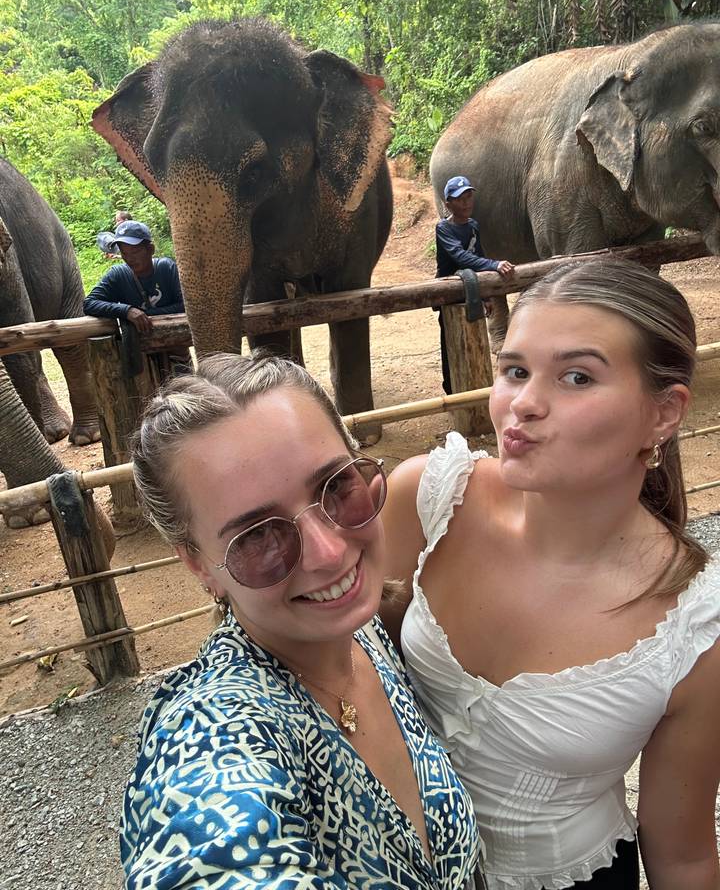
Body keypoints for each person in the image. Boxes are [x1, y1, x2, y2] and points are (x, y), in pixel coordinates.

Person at [382, 258, 720, 889]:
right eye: (514, 371)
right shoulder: (429, 499)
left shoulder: (695, 626)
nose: (523, 405)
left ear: (665, 413)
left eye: (575, 376)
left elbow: (683, 853)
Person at [121, 353, 483, 889]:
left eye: (336, 487)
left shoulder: (359, 637)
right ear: (198, 562)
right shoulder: (211, 734)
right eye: (259, 537)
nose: (330, 551)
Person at [436, 175, 515, 394]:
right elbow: (460, 256)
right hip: (450, 293)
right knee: (450, 343)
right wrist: (495, 264)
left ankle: (476, 388)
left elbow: (477, 254)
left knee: (474, 339)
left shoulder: (473, 226)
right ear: (448, 203)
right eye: (460, 199)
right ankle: (451, 389)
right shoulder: (443, 228)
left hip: (472, 290)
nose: (467, 203)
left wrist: (486, 295)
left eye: (469, 197)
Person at [84, 220, 184, 333]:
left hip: (175, 343)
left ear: (150, 249)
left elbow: (185, 305)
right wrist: (127, 311)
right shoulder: (118, 274)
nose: (130, 259)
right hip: (138, 348)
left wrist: (145, 315)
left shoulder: (167, 268)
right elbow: (89, 304)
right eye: (124, 253)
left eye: (135, 252)